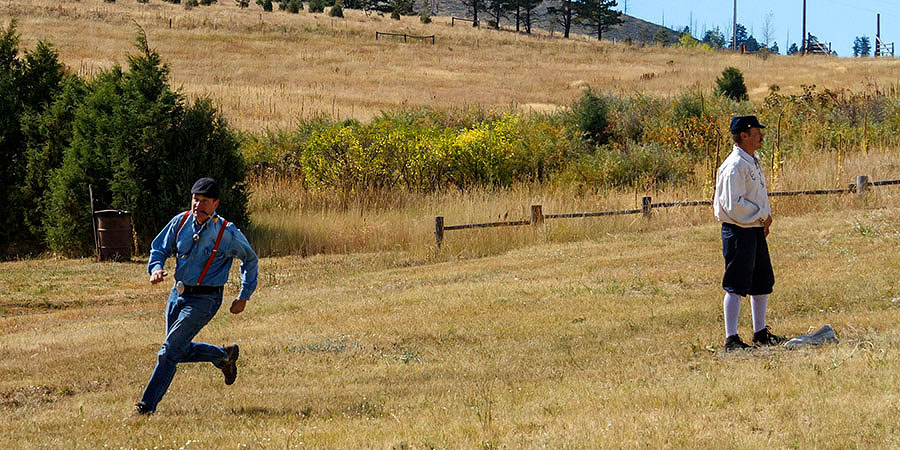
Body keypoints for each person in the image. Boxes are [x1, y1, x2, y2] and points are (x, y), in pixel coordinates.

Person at [136, 177, 258, 415]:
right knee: (178, 350)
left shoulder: (226, 233)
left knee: (169, 351)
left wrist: (244, 295)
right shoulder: (180, 221)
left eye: (204, 201)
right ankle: (224, 357)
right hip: (177, 294)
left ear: (215, 204)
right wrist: (155, 268)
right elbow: (159, 247)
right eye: (195, 199)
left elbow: (250, 259)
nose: (198, 205)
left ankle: (146, 407)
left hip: (205, 299)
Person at [714, 115, 786, 352]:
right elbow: (733, 205)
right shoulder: (734, 166)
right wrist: (761, 215)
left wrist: (763, 217)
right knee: (736, 283)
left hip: (753, 228)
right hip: (739, 230)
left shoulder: (751, 161)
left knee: (761, 281)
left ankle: (760, 333)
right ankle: (731, 339)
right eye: (756, 132)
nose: (761, 136)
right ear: (743, 135)